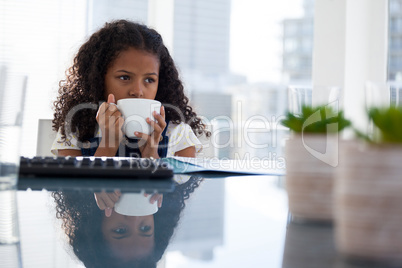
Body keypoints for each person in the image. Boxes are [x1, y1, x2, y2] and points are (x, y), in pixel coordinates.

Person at [51, 19, 209, 158]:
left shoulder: (178, 134)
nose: (138, 91)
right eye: (125, 77)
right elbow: (74, 189)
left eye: (149, 79)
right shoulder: (74, 129)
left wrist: (152, 156)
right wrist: (108, 146)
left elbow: (177, 191)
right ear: (98, 79)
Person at [52, 176, 203, 268]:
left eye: (120, 231)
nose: (135, 218)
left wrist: (97, 172)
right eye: (145, 228)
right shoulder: (172, 174)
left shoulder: (80, 153)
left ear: (93, 226)